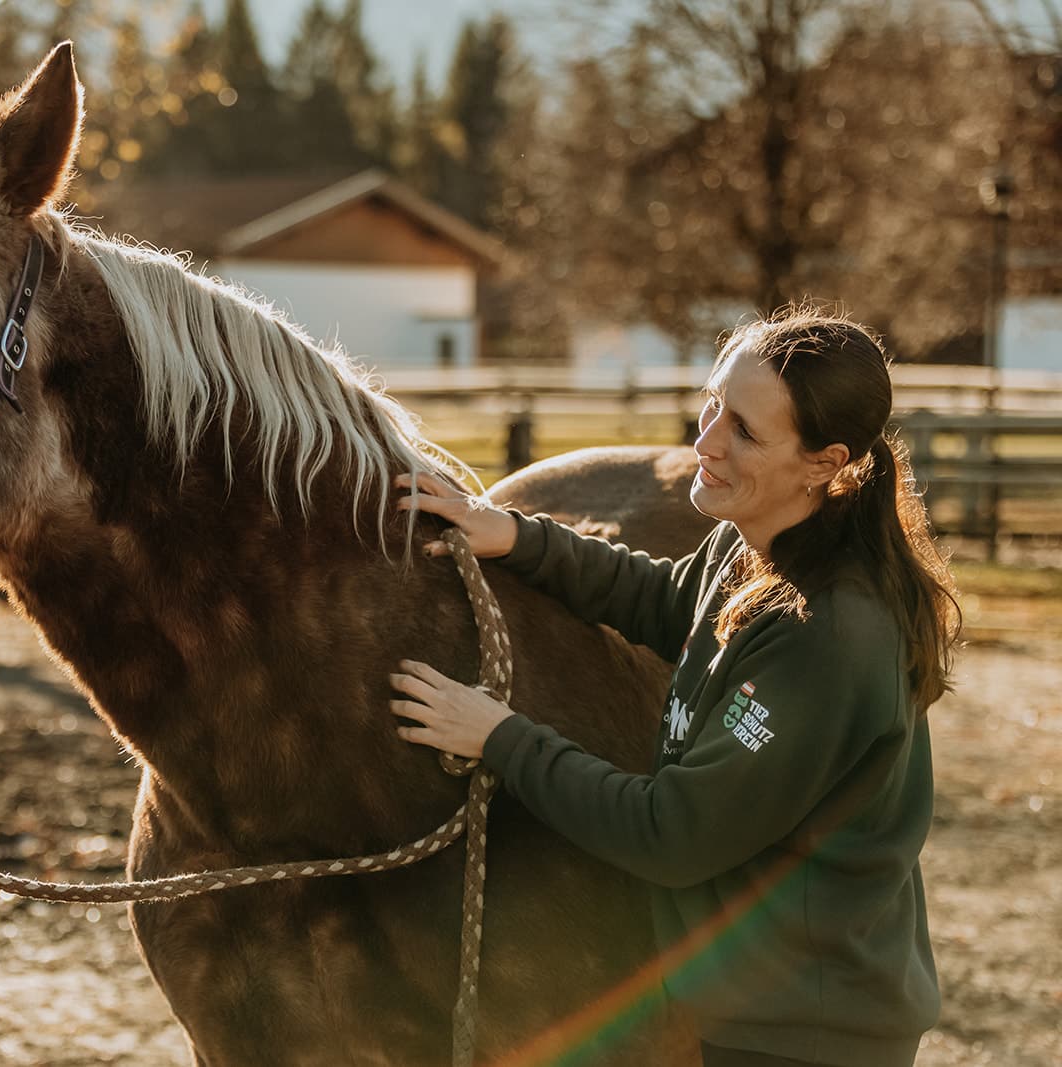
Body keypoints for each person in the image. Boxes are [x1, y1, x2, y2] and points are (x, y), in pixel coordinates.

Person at [389, 307, 961, 1067]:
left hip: (811, 1027)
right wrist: (515, 534)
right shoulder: (754, 539)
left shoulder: (828, 637)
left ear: (825, 462)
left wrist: (499, 736)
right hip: (756, 999)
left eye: (746, 432)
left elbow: (673, 835)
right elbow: (662, 601)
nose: (706, 441)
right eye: (713, 404)